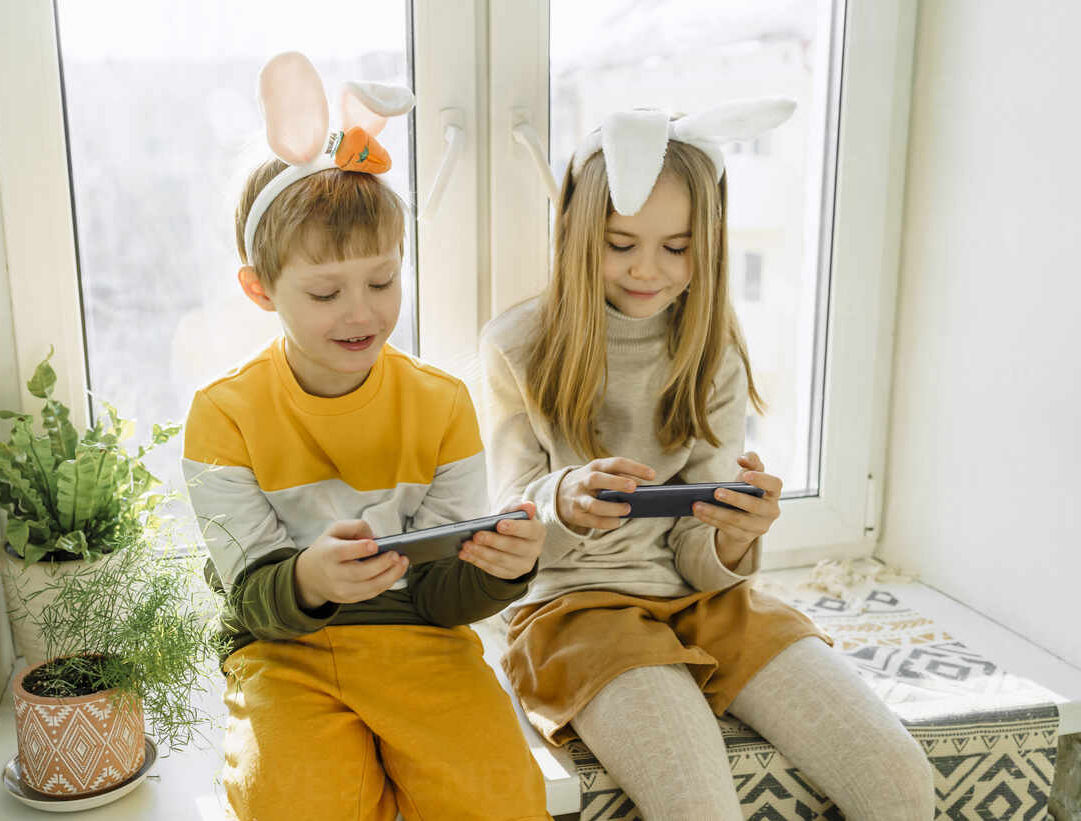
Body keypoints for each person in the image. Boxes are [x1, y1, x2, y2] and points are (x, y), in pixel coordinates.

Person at [479, 101, 935, 819]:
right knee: (698, 806)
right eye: (620, 243)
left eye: (677, 246)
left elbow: (698, 551)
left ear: (711, 244)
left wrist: (734, 530)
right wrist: (562, 498)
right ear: (575, 234)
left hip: (707, 601)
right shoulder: (518, 344)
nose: (647, 270)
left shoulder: (711, 346)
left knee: (901, 781)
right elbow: (510, 529)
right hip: (576, 608)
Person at [183, 51, 551, 821]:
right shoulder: (223, 416)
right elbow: (252, 596)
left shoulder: (442, 404)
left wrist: (502, 571)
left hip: (420, 640)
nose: (362, 313)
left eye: (382, 281)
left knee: (500, 797)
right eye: (326, 291)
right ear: (260, 287)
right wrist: (311, 579)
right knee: (293, 802)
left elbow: (445, 594)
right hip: (282, 653)